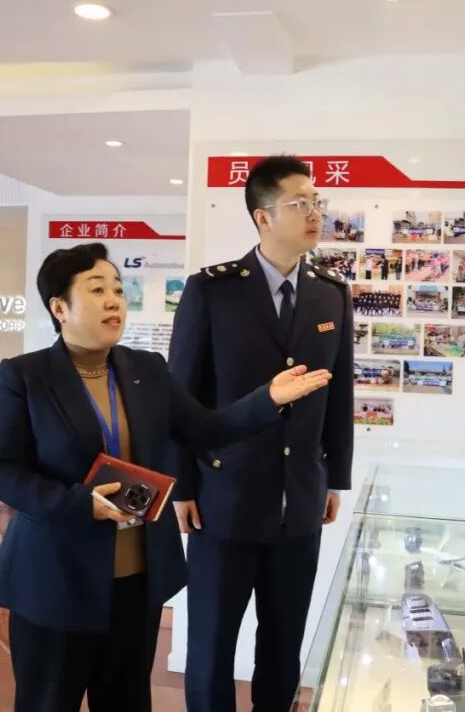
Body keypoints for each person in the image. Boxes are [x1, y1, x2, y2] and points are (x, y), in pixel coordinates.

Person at [0, 244, 331, 712]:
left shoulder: (146, 369)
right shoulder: (26, 376)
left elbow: (205, 430)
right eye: (97, 290)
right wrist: (76, 503)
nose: (114, 301)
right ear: (59, 308)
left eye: (118, 290)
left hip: (135, 582)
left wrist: (265, 399)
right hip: (55, 583)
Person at [169, 155, 355, 712]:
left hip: (300, 503)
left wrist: (333, 478)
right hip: (223, 501)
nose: (314, 213)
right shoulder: (213, 291)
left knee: (283, 645)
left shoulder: (331, 293)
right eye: (300, 203)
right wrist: (182, 486)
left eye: (317, 202)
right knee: (211, 648)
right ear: (263, 216)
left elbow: (339, 395)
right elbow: (182, 397)